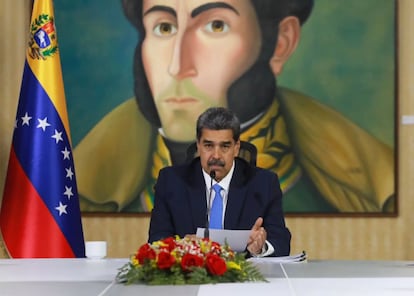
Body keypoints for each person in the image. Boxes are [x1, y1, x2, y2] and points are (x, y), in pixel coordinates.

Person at [73, 0, 394, 214]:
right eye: (164, 27)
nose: (176, 66)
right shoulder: (84, 197)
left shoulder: (357, 195)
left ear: (280, 44)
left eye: (215, 25)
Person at [149, 107, 291, 257]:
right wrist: (182, 246)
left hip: (244, 277)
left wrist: (260, 247)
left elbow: (281, 241)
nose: (216, 155)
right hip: (191, 275)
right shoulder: (171, 182)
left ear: (236, 148)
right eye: (209, 145)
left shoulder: (264, 183)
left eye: (225, 146)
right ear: (198, 145)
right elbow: (157, 239)